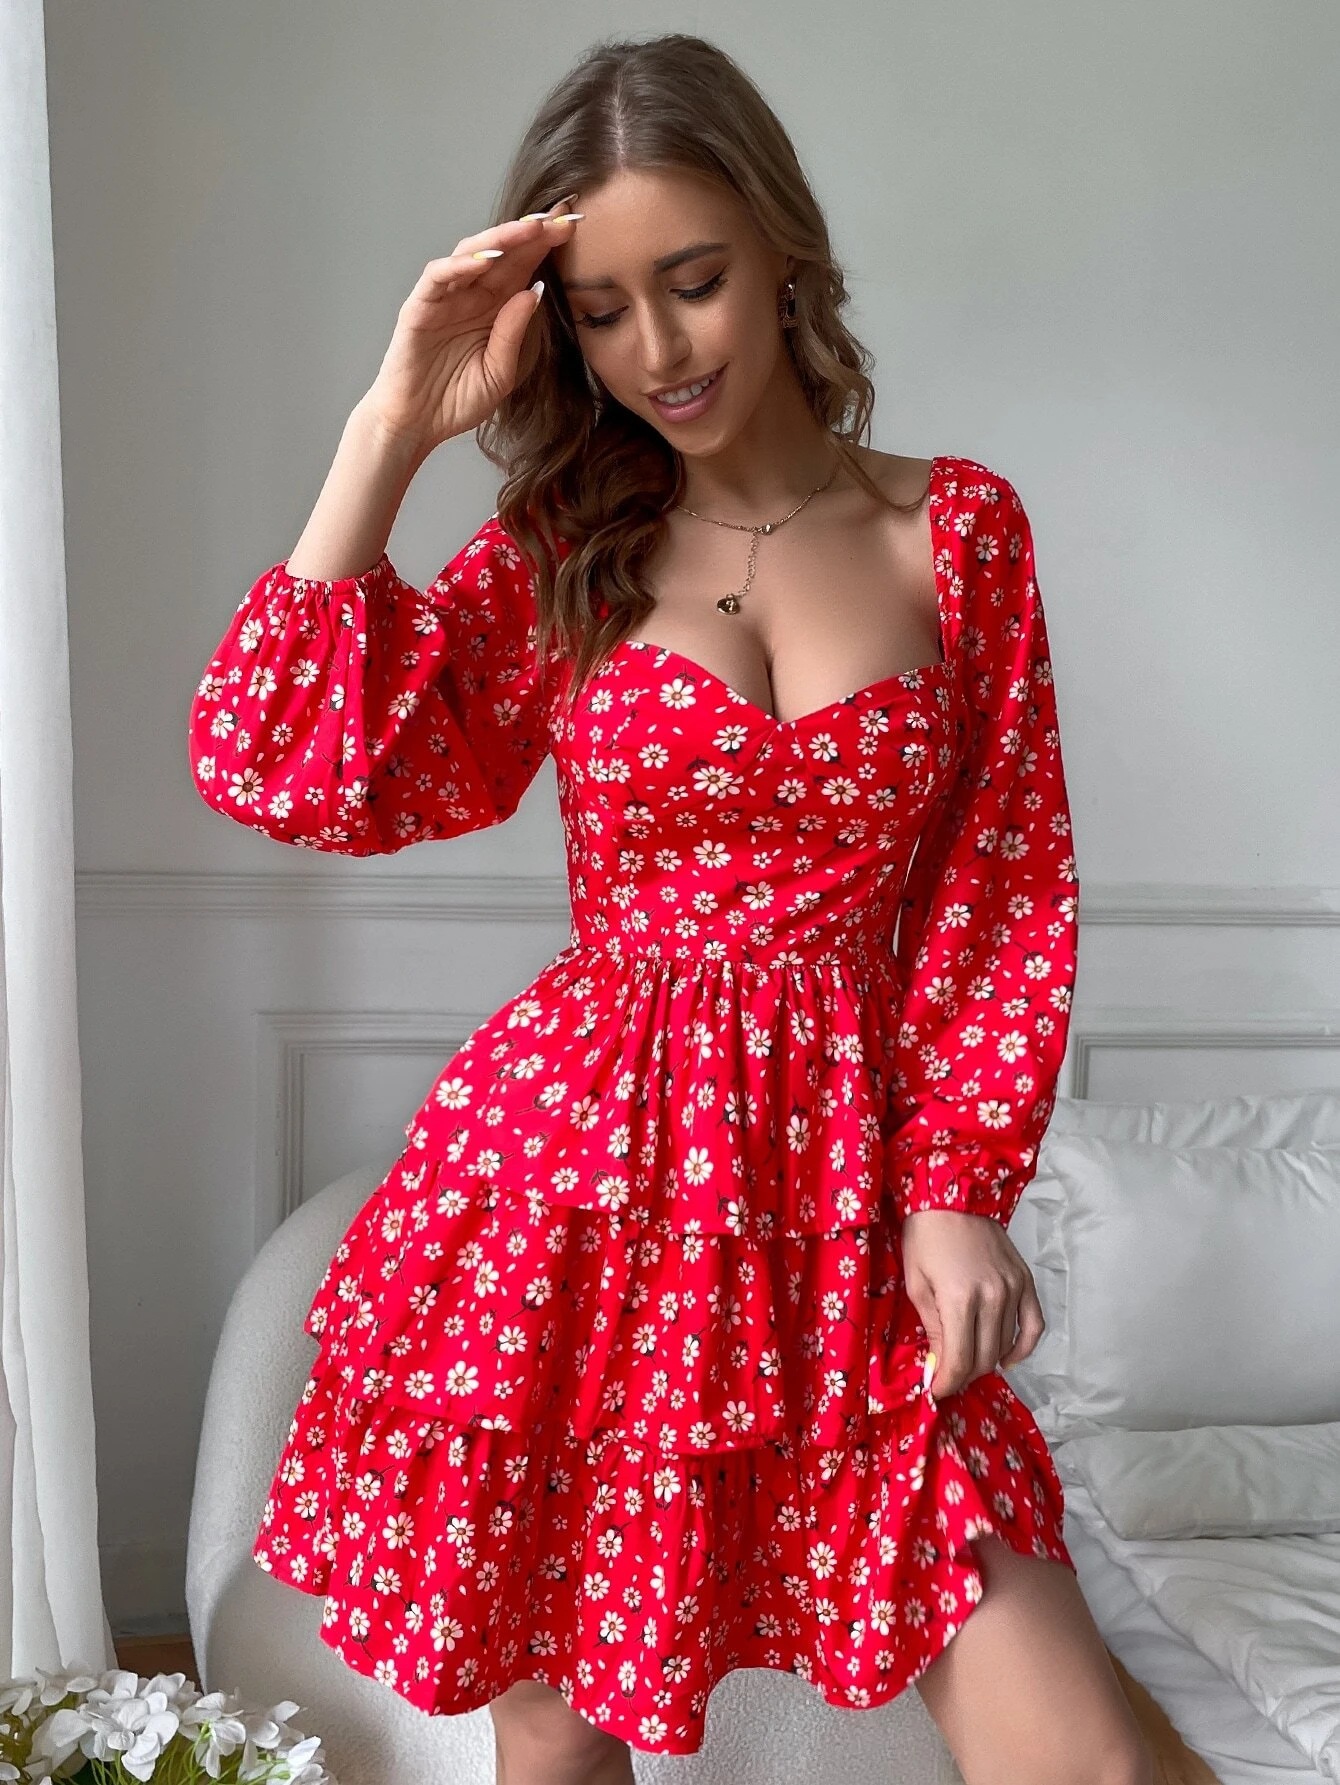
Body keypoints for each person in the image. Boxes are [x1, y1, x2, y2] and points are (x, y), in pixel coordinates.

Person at [187, 30, 1154, 1785]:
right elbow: (281, 764)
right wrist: (391, 423)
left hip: (847, 1209)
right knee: (558, 1739)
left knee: (1078, 1753)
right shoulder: (567, 548)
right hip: (577, 1198)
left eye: (693, 281)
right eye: (604, 311)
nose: (658, 351)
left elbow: (1003, 884)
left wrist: (955, 1186)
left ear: (783, 246)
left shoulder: (958, 532)